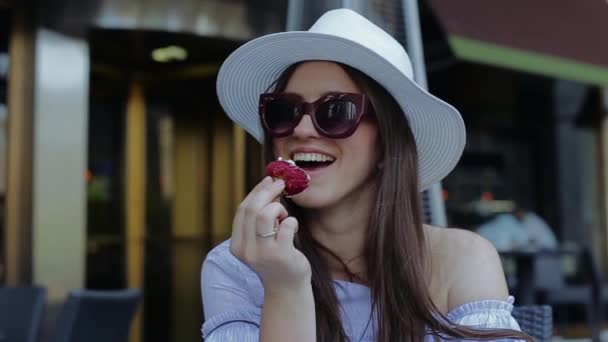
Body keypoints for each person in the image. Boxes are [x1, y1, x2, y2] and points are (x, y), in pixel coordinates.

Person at [201, 8, 530, 342]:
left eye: (336, 111)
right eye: (284, 110)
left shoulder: (461, 259)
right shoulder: (238, 266)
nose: (301, 129)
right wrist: (286, 288)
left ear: (387, 144)